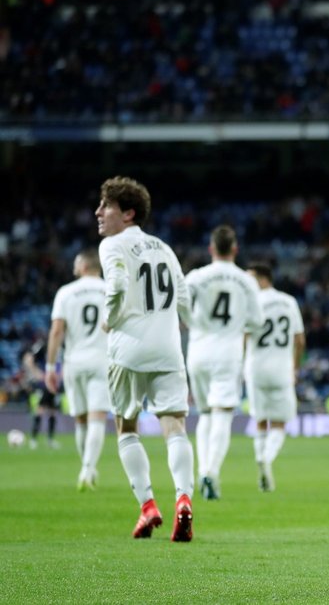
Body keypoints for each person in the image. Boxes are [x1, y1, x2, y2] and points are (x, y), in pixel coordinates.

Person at [95, 175, 194, 541]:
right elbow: (183, 298)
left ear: (129, 213)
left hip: (129, 349)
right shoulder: (164, 247)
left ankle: (148, 505)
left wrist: (112, 319)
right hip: (168, 349)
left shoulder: (112, 245)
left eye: (107, 206)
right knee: (175, 426)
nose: (98, 212)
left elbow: (117, 286)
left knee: (127, 427)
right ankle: (183, 498)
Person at [185, 225, 263, 500]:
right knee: (222, 414)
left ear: (211, 249)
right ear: (235, 249)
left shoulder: (196, 277)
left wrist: (193, 323)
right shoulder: (246, 281)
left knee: (205, 413)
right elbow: (257, 321)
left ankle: (202, 470)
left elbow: (178, 305)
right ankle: (211, 472)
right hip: (228, 352)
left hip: (198, 351)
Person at [45, 249, 110, 490]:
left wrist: (51, 366)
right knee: (97, 419)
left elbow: (56, 331)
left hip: (74, 361)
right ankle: (88, 468)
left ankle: (86, 467)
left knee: (81, 420)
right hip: (102, 360)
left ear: (82, 265)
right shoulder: (110, 290)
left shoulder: (66, 292)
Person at [244, 262, 305, 492]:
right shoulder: (289, 302)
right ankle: (267, 459)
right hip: (282, 368)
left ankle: (260, 457)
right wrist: (295, 368)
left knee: (260, 418)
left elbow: (245, 335)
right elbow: (300, 341)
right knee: (279, 421)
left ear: (262, 278)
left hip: (256, 367)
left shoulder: (252, 303)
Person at [22, 349, 60, 450]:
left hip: (53, 387)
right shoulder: (42, 348)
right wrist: (37, 373)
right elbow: (28, 359)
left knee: (52, 412)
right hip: (43, 386)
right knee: (40, 411)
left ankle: (50, 440)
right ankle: (33, 439)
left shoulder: (59, 351)